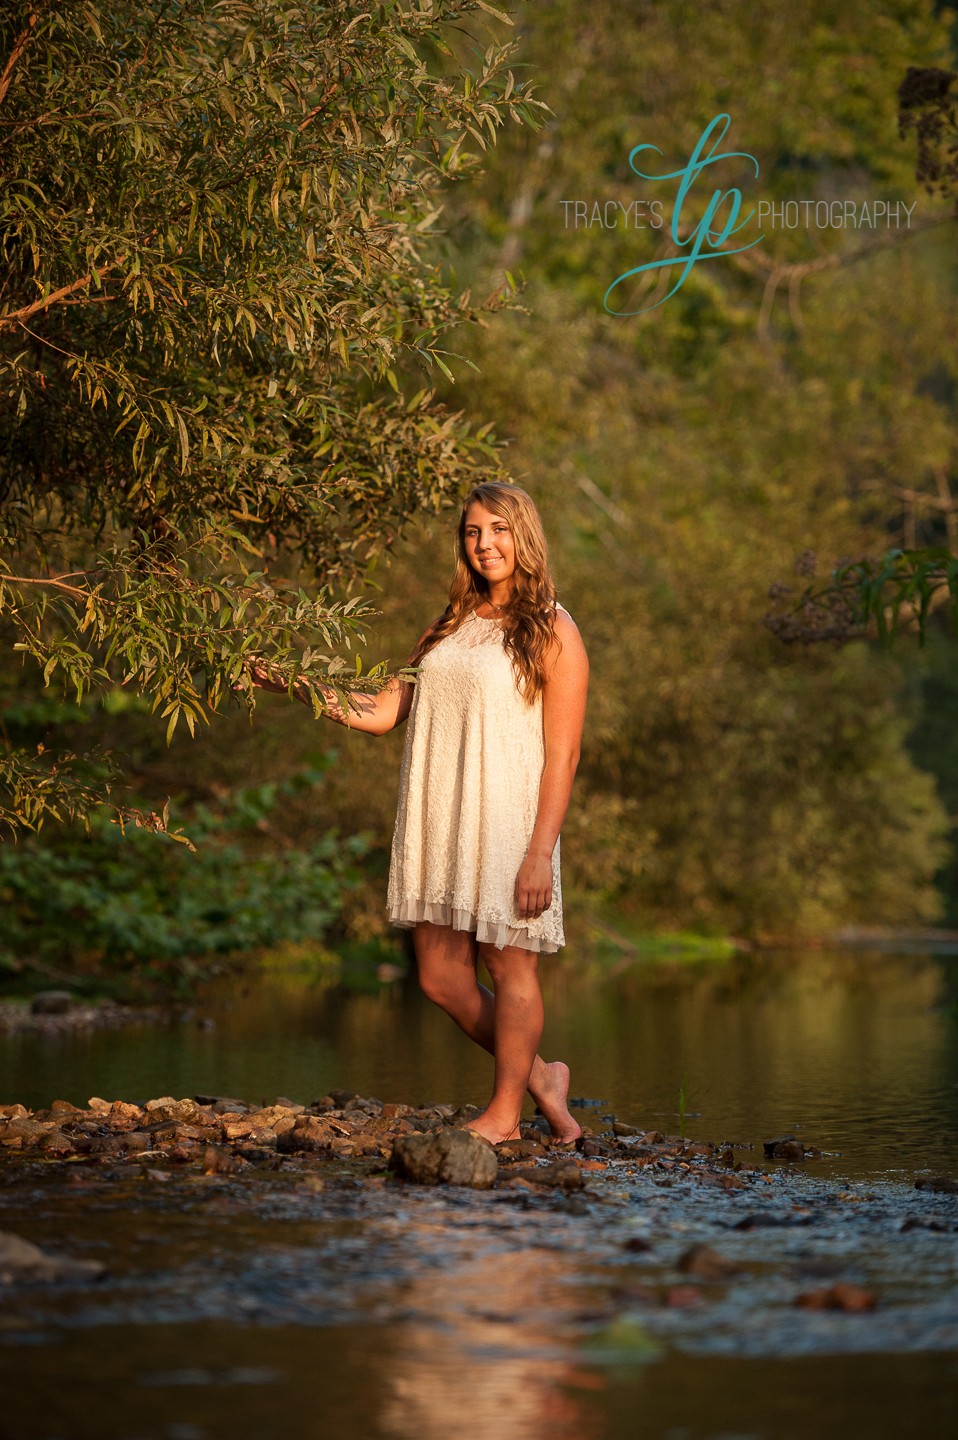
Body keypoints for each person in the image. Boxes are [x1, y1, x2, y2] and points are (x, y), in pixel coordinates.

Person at [247, 482, 589, 1147]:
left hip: (510, 821)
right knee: (438, 978)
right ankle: (543, 1079)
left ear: (524, 536)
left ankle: (505, 1116)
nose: (484, 543)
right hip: (441, 819)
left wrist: (538, 850)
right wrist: (282, 678)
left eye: (497, 529)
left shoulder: (553, 625)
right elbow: (380, 713)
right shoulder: (446, 625)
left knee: (510, 969)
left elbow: (564, 752)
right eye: (471, 532)